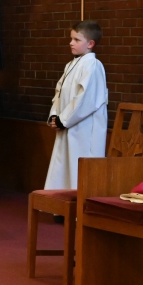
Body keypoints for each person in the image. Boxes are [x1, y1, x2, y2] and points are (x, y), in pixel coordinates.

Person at [44, 20, 107, 190]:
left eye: (77, 40)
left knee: (79, 168)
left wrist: (63, 120)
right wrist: (55, 115)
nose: (71, 43)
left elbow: (86, 99)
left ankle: (80, 210)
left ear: (90, 44)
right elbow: (59, 92)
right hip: (69, 126)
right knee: (63, 165)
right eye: (71, 39)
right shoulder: (71, 65)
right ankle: (61, 206)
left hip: (84, 130)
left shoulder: (93, 66)